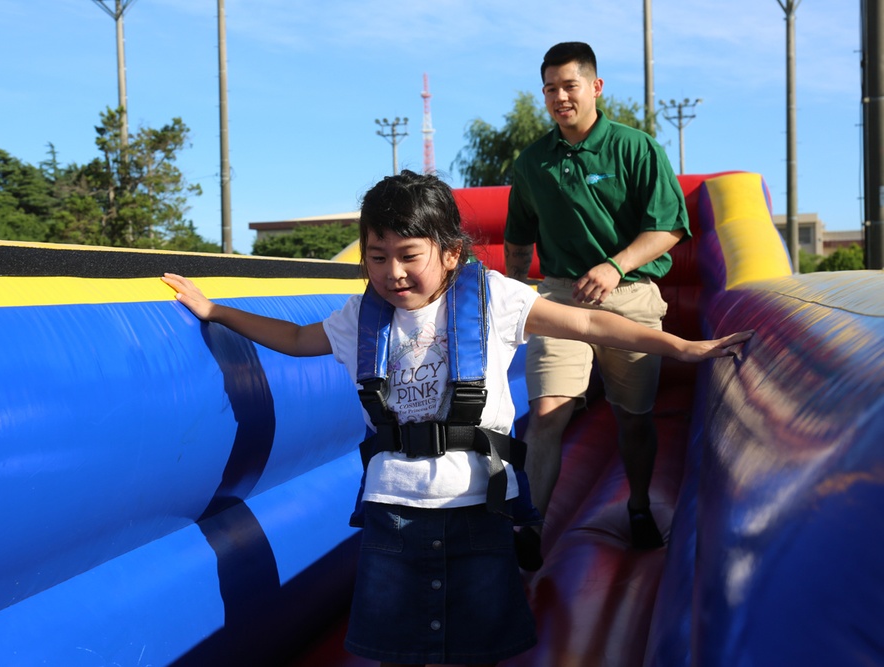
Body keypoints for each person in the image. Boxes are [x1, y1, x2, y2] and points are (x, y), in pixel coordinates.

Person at [162, 171, 750, 667]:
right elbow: (293, 338)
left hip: (478, 509)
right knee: (391, 647)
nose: (392, 272)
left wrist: (682, 347)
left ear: (450, 254)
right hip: (394, 513)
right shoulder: (361, 318)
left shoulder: (491, 298)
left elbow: (591, 324)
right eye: (377, 256)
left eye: (408, 255)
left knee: (481, 645)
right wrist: (213, 310)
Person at [502, 41, 692, 562]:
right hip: (562, 298)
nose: (560, 97)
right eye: (550, 89)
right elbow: (518, 243)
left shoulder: (636, 148)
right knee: (546, 414)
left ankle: (637, 503)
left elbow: (670, 227)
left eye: (569, 86)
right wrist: (510, 299)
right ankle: (531, 532)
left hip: (628, 295)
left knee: (632, 417)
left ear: (595, 87)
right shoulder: (533, 162)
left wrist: (615, 266)